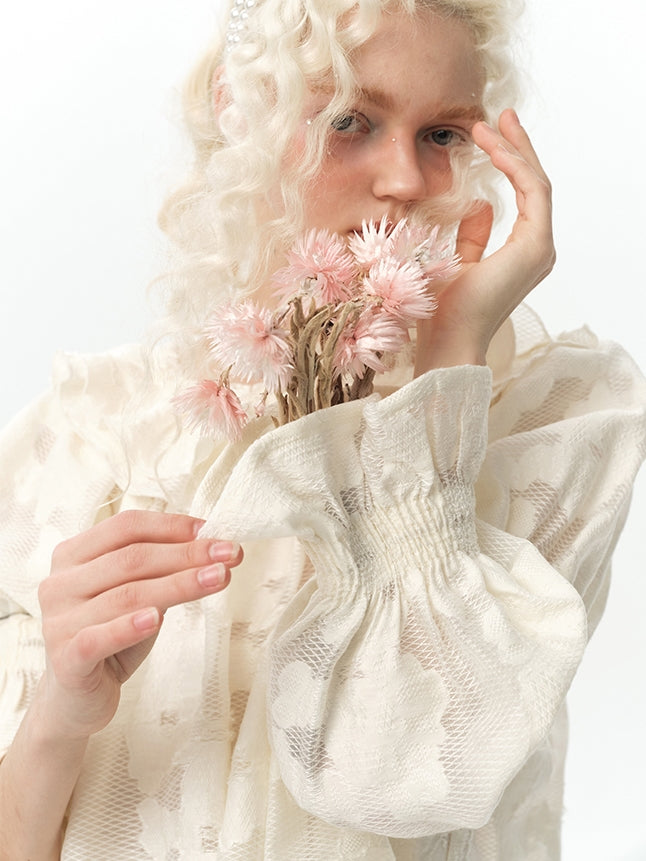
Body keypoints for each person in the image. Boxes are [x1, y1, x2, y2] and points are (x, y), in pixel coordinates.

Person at [1, 0, 645, 858]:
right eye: (351, 120)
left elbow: (404, 772)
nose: (408, 182)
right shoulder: (96, 432)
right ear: (247, 119)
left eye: (443, 135)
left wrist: (451, 353)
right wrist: (61, 714)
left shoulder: (547, 424)